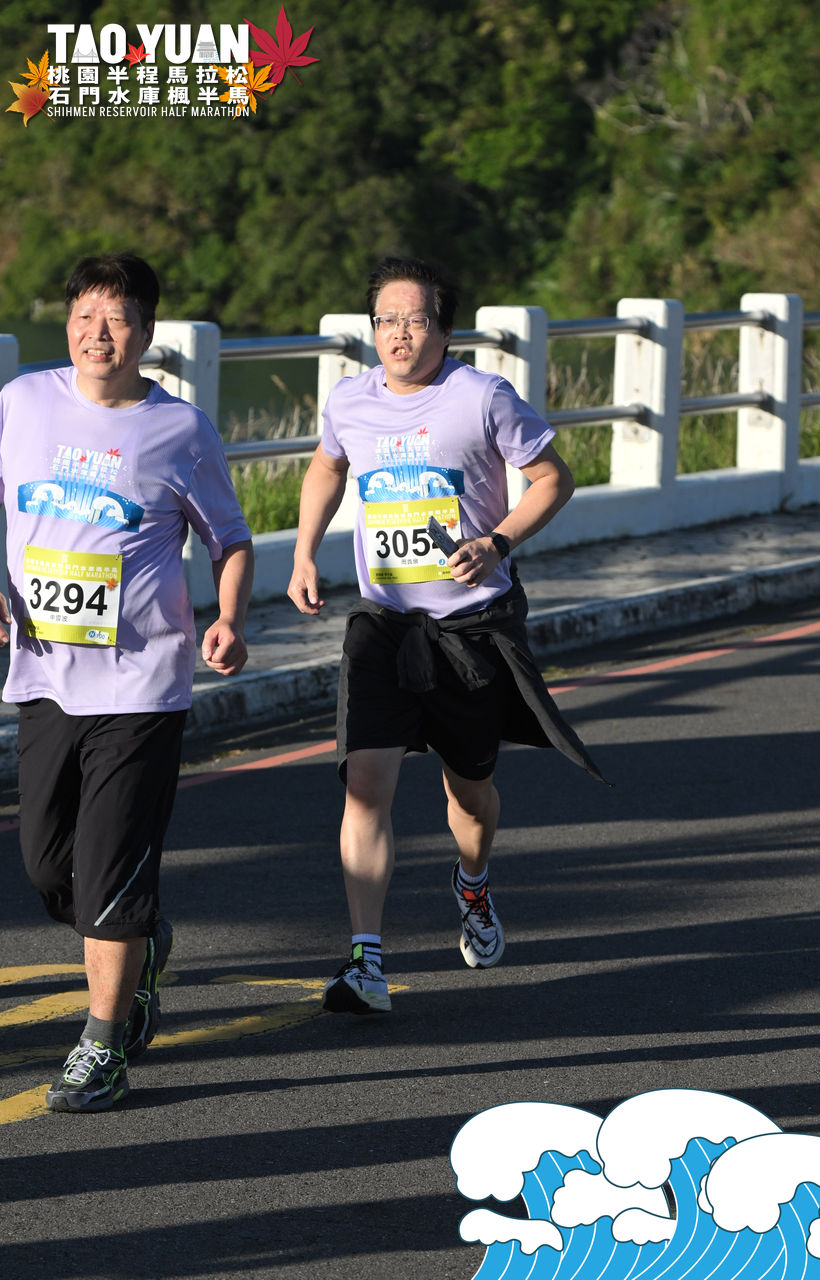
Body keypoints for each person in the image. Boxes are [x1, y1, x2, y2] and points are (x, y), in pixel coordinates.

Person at [287, 255, 606, 1016]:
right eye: (386, 320)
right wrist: (303, 552)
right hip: (383, 624)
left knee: (468, 791)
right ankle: (366, 960)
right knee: (365, 785)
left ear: (445, 328)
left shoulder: (482, 398)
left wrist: (495, 542)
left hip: (471, 626)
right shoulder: (350, 400)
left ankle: (473, 883)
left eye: (416, 319)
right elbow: (326, 467)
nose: (399, 333)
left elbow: (553, 479)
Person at [0, 252, 254, 1111]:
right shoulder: (22, 402)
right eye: (83, 316)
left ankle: (102, 1046)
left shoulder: (179, 428)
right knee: (46, 865)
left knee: (109, 872)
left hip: (142, 686)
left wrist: (229, 617)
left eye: (115, 319)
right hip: (45, 677)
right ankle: (140, 936)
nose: (95, 334)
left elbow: (230, 540)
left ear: (145, 332)